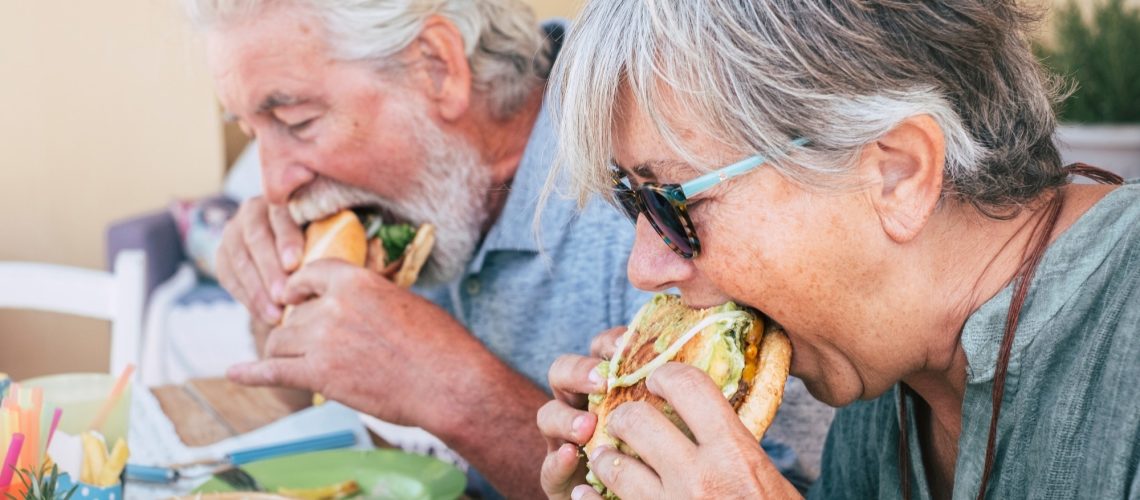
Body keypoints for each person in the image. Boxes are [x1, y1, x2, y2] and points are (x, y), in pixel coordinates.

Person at [186, 0, 822, 496]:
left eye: (296, 122)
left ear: (437, 67)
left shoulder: (666, 187)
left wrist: (453, 389)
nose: (273, 182)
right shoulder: (417, 195)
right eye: (251, 132)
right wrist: (274, 298)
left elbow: (772, 485)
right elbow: (299, 401)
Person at [537, 1, 1140, 499]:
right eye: (633, 202)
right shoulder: (878, 366)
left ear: (897, 176)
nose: (643, 268)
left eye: (673, 203)